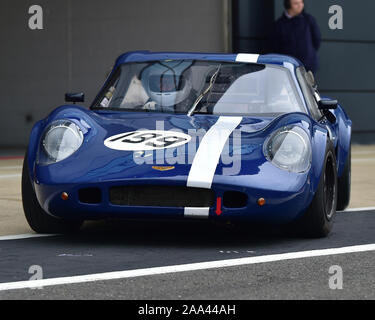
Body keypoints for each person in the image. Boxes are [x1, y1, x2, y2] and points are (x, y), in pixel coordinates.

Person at [272, 0, 321, 74]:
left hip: (308, 66)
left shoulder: (309, 20)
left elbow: (317, 40)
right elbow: (275, 46)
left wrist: (309, 54)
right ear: (288, 5)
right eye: (296, 3)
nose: (300, 5)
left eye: (301, 2)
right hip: (288, 67)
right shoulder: (279, 24)